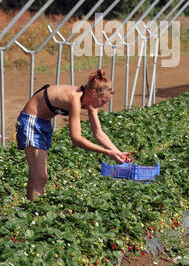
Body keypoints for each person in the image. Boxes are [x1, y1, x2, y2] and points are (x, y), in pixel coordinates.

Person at [16, 69, 129, 201]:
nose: (103, 105)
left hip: (44, 123)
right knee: (41, 176)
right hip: (31, 121)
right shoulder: (74, 99)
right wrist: (107, 152)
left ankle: (30, 208)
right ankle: (35, 212)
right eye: (103, 101)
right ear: (93, 92)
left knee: (35, 175)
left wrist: (118, 153)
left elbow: (98, 133)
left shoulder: (90, 102)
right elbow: (76, 139)